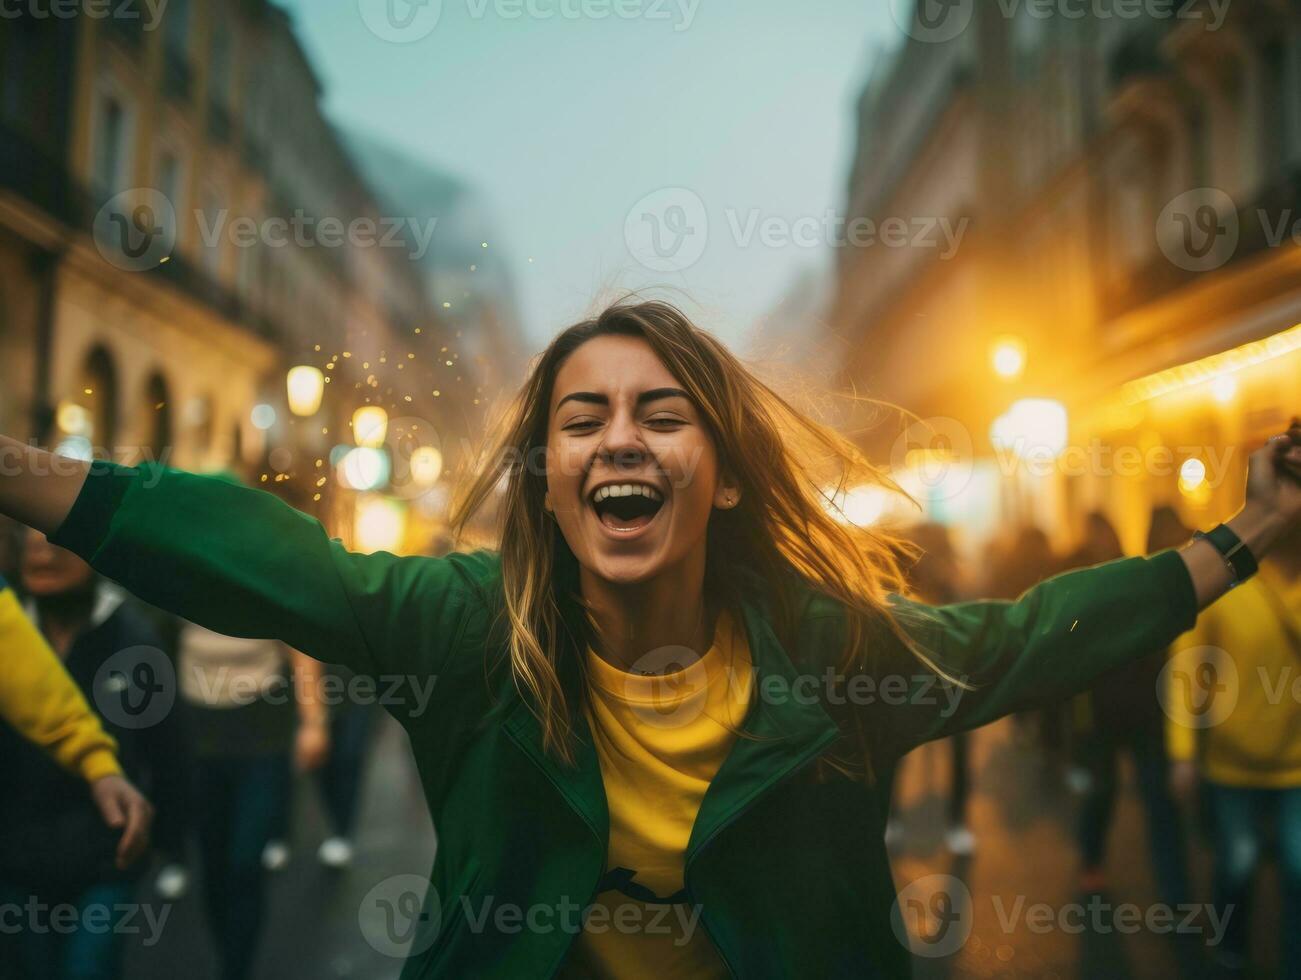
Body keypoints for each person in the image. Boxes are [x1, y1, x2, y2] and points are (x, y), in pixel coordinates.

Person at [0, 299, 1297, 978]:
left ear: (721, 474)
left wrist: (1243, 534)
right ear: (548, 478)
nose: (619, 436)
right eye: (582, 419)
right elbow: (264, 561)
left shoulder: (831, 650)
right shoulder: (466, 631)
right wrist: (14, 466)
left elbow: (1026, 637)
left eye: (661, 413)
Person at [0, 530, 184, 980]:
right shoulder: (13, 626)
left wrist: (169, 843)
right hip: (17, 855)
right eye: (32, 545)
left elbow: (169, 747)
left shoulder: (134, 637)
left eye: (57, 542)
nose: (43, 554)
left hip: (107, 855)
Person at [1168, 518, 1301, 976]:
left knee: (1299, 870)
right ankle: (1230, 950)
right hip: (1232, 765)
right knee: (1237, 866)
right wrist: (1183, 752)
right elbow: (1188, 671)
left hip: (1297, 768)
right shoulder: (1229, 585)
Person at [1069, 508, 1192, 907]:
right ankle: (1091, 863)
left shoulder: (1138, 574)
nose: (1100, 540)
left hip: (1144, 710)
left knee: (1160, 803)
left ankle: (1176, 897)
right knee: (1102, 793)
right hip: (1101, 714)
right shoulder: (1080, 579)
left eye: (1103, 532)